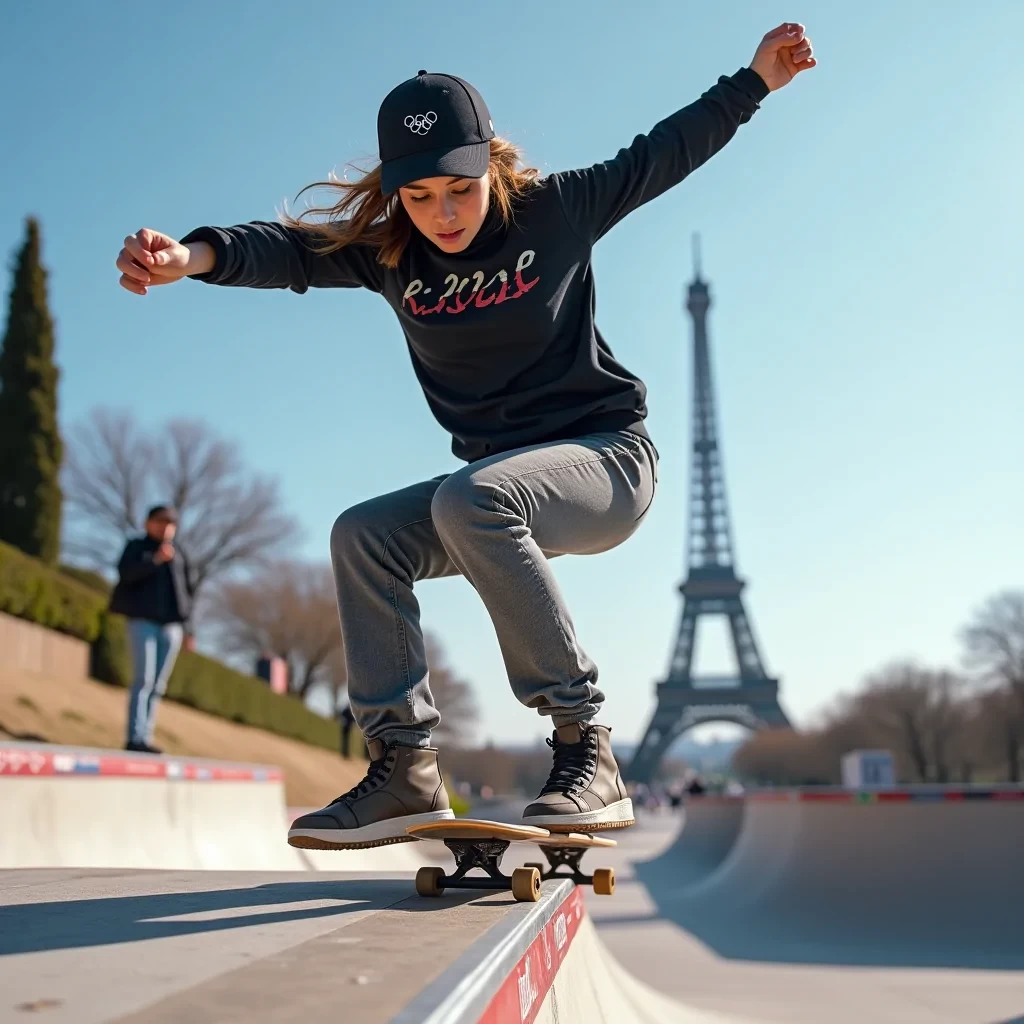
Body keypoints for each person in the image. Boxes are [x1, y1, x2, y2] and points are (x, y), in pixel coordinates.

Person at [114, 25, 815, 847]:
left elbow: (663, 151)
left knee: (472, 497)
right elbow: (290, 253)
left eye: (459, 190)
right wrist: (190, 257)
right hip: (489, 498)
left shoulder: (557, 210)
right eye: (418, 198)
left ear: (490, 166)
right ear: (395, 195)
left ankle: (583, 741)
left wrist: (756, 81)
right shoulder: (392, 255)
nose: (441, 215)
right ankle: (405, 769)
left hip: (607, 463)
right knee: (364, 537)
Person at [108, 505, 194, 753]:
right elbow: (125, 574)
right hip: (142, 620)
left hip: (172, 627)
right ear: (148, 523)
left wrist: (190, 629)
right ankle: (134, 738)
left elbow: (188, 594)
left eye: (170, 523)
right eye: (159, 521)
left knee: (158, 685)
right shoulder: (137, 547)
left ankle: (146, 736)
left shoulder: (180, 554)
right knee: (142, 680)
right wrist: (155, 560)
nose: (165, 527)